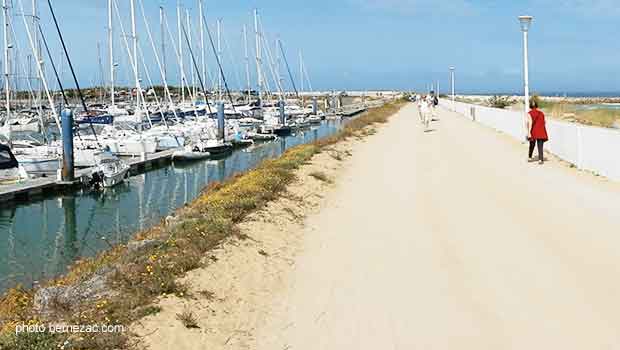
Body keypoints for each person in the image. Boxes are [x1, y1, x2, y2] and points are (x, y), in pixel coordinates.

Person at [527, 99, 548, 165]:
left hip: (534, 131)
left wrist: (528, 132)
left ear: (530, 106)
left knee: (532, 145)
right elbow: (544, 122)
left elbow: (529, 123)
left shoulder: (529, 113)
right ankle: (540, 160)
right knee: (540, 146)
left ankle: (530, 157)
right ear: (536, 105)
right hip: (541, 130)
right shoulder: (541, 113)